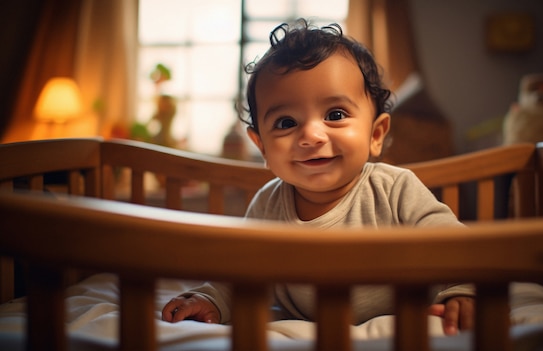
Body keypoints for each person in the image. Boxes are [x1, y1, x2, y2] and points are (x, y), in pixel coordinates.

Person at [162, 18, 475, 336]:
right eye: (285, 122)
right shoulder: (268, 204)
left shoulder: (395, 188)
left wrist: (463, 290)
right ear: (262, 146)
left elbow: (456, 247)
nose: (311, 135)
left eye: (335, 115)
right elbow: (241, 274)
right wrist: (210, 299)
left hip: (404, 323)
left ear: (376, 134)